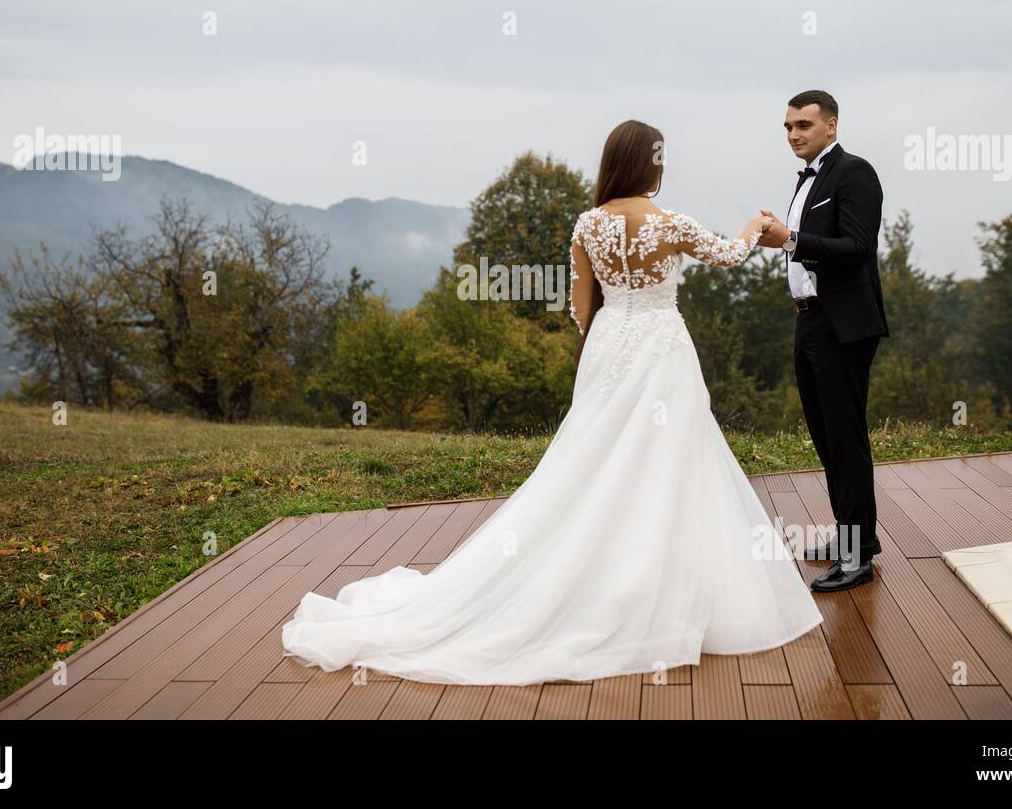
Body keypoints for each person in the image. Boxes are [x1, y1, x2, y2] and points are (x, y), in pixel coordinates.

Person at [280, 118, 824, 685]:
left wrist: (606, 344)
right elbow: (728, 255)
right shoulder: (671, 224)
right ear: (653, 164)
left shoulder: (587, 225)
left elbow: (580, 310)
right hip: (662, 347)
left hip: (611, 346)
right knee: (667, 459)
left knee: (590, 459)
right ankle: (657, 589)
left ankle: (587, 574)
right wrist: (756, 226)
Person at [758, 90, 889, 591]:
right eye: (788, 126)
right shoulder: (808, 178)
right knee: (824, 434)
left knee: (846, 437)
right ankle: (848, 536)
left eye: (804, 125)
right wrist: (784, 233)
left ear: (831, 126)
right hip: (808, 320)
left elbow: (856, 249)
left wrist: (789, 239)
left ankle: (858, 556)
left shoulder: (855, 172)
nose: (793, 134)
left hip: (844, 325)